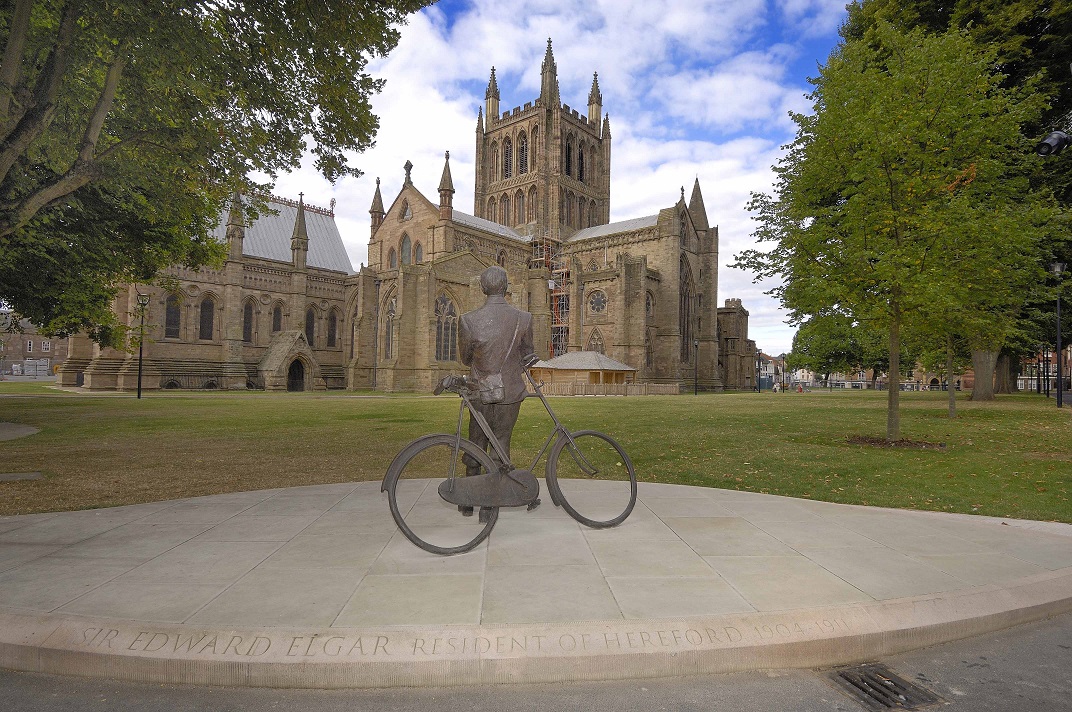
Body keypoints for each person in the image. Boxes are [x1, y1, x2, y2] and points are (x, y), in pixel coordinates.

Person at [458, 266, 535, 492]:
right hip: (510, 391)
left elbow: (465, 358)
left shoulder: (467, 320)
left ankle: (469, 496)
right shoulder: (524, 318)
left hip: (479, 390)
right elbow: (528, 354)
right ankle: (493, 499)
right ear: (506, 287)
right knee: (501, 440)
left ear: (482, 288)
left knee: (475, 441)